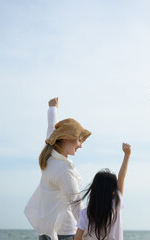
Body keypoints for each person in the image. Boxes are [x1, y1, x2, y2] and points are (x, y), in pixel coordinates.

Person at [24, 97, 91, 240]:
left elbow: (51, 127)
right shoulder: (63, 169)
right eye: (79, 139)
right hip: (65, 233)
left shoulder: (49, 156)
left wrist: (52, 108)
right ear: (66, 138)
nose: (80, 145)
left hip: (47, 231)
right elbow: (76, 206)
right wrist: (91, 234)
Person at [74, 143, 131, 240]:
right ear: (113, 190)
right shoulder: (115, 204)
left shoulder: (86, 213)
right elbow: (121, 178)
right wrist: (127, 155)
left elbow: (77, 238)